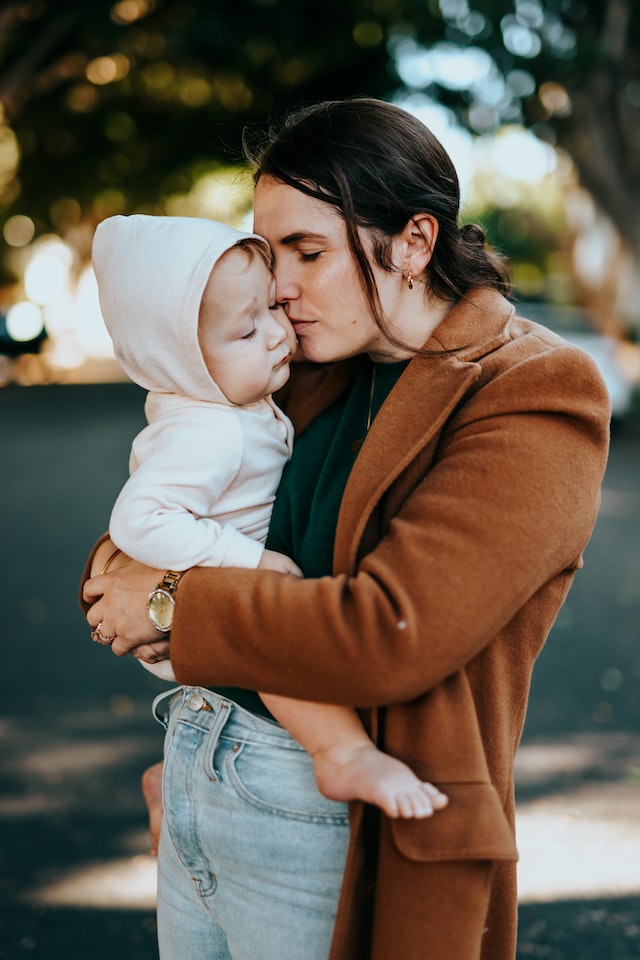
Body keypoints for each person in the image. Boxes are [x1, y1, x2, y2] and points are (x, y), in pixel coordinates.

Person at [81, 98, 610, 960]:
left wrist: (174, 605)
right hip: (194, 777)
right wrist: (191, 778)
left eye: (309, 251)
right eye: (269, 249)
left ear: (413, 243)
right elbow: (146, 526)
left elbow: (389, 634)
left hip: (336, 816)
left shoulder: (534, 389)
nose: (278, 286)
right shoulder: (303, 363)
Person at [91, 213, 448, 852]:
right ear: (183, 360)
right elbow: (138, 519)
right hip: (214, 604)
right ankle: (340, 753)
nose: (280, 331)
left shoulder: (234, 401)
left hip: (193, 612)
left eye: (268, 309)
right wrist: (246, 561)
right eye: (247, 329)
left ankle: (167, 775)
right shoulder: (210, 430)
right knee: (279, 640)